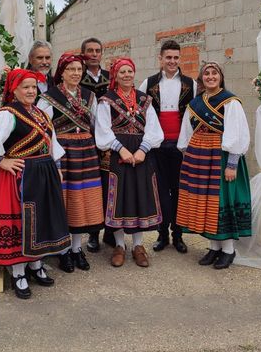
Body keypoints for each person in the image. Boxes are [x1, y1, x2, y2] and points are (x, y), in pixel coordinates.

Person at [0, 68, 70, 299]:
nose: (30, 91)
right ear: (14, 90)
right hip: (19, 176)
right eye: (25, 87)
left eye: (33, 87)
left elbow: (52, 143)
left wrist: (57, 168)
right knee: (21, 222)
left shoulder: (42, 114)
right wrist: (1, 160)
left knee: (40, 220)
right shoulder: (7, 114)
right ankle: (18, 272)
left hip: (44, 173)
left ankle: (35, 264)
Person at [176, 62, 252, 270]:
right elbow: (186, 133)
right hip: (198, 156)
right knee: (205, 202)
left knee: (220, 201)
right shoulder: (195, 104)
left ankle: (228, 250)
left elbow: (237, 133)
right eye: (206, 73)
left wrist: (232, 164)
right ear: (202, 78)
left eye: (214, 73)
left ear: (221, 77)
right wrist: (187, 157)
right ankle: (214, 247)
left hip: (221, 156)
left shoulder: (230, 101)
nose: (210, 77)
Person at [37, 53, 104, 273]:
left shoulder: (90, 96)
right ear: (62, 72)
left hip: (86, 152)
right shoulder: (49, 97)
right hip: (62, 152)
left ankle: (77, 249)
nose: (76, 73)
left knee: (81, 201)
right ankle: (63, 251)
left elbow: (96, 125)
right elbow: (45, 130)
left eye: (79, 70)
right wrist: (52, 158)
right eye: (71, 70)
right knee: (63, 201)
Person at [95, 57, 164, 268]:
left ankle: (138, 246)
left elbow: (154, 128)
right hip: (117, 154)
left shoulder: (145, 100)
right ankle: (119, 245)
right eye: (122, 72)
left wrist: (143, 150)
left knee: (140, 195)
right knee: (118, 198)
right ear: (115, 75)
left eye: (130, 71)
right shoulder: (107, 100)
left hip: (143, 153)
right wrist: (122, 150)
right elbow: (103, 130)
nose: (127, 75)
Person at [138, 40, 196, 254]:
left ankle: (178, 235)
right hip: (157, 146)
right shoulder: (148, 83)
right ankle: (162, 234)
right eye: (168, 57)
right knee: (160, 191)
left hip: (181, 147)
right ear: (160, 59)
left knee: (179, 190)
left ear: (180, 59)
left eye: (175, 57)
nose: (172, 61)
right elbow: (140, 112)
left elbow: (195, 114)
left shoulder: (191, 84)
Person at [79, 37, 114, 253]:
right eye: (89, 50)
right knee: (93, 186)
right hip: (87, 138)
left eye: (97, 50)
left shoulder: (111, 77)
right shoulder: (76, 76)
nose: (94, 54)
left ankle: (111, 230)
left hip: (111, 140)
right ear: (83, 54)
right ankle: (93, 233)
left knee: (112, 184)